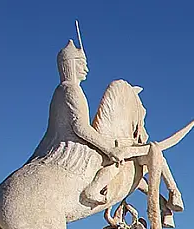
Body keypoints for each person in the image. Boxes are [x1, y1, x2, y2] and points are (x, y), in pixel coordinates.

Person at [28, 40, 132, 205]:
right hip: (72, 149)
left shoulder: (60, 90)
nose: (86, 69)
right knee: (116, 161)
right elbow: (80, 126)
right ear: (71, 65)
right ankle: (93, 190)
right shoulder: (71, 89)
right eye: (82, 64)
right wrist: (110, 149)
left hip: (58, 143)